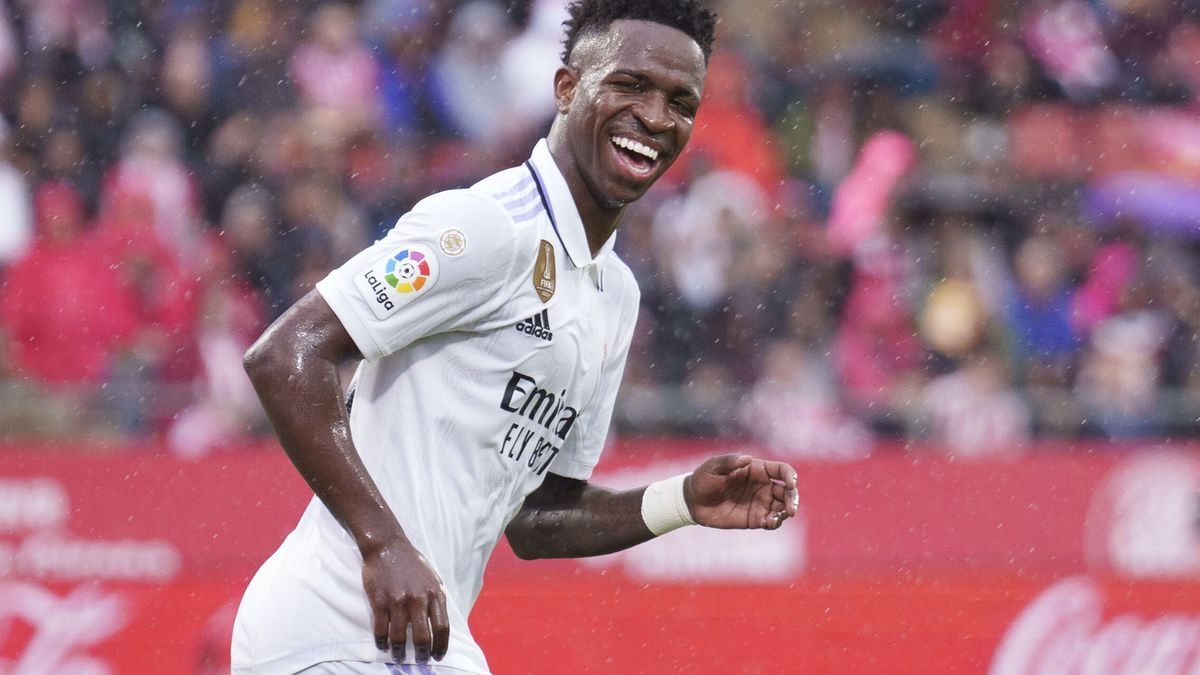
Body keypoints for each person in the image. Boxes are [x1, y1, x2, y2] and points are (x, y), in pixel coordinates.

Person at [232, 2, 800, 673]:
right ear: (566, 88)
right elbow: (285, 354)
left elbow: (536, 519)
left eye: (680, 103)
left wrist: (681, 501)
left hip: (419, 638)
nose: (654, 117)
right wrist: (382, 543)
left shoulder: (615, 295)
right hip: (331, 626)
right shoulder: (487, 226)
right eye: (629, 85)